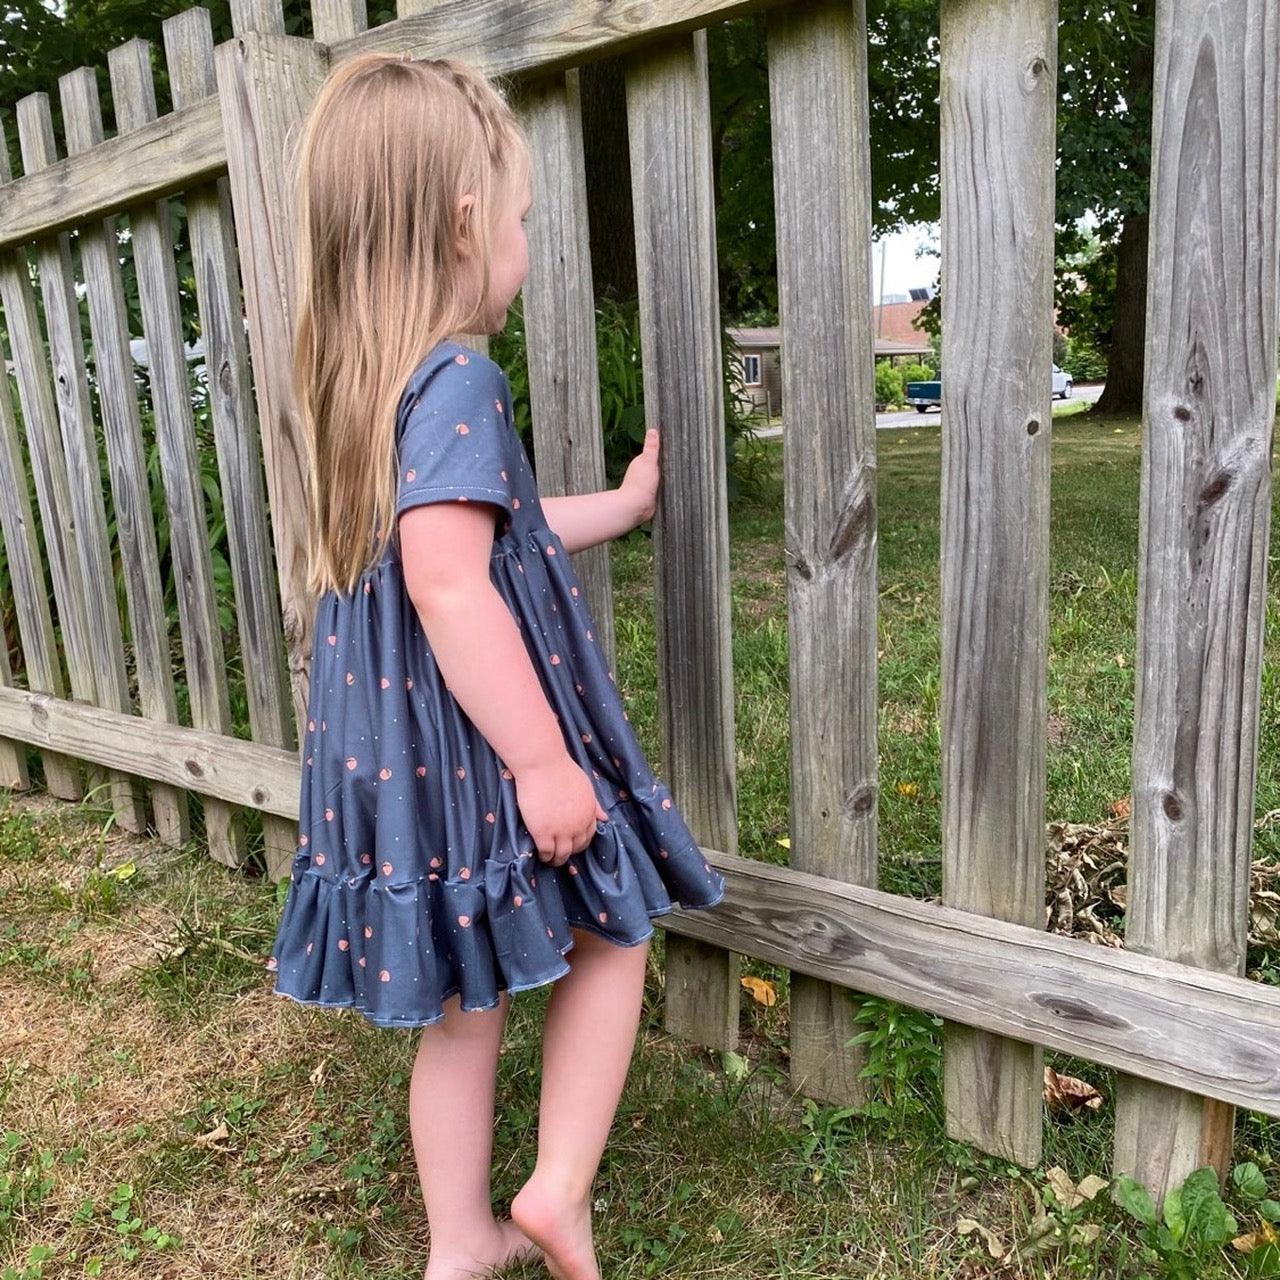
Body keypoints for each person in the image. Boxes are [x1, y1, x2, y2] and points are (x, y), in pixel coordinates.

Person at [267, 53, 725, 1280]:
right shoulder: (461, 374)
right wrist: (540, 760)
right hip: (476, 747)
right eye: (518, 218)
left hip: (397, 757)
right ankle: (555, 1188)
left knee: (469, 1004)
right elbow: (449, 576)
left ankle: (457, 1238)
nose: (523, 242)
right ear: (466, 227)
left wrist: (617, 509)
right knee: (613, 933)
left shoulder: (362, 383)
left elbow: (493, 529)